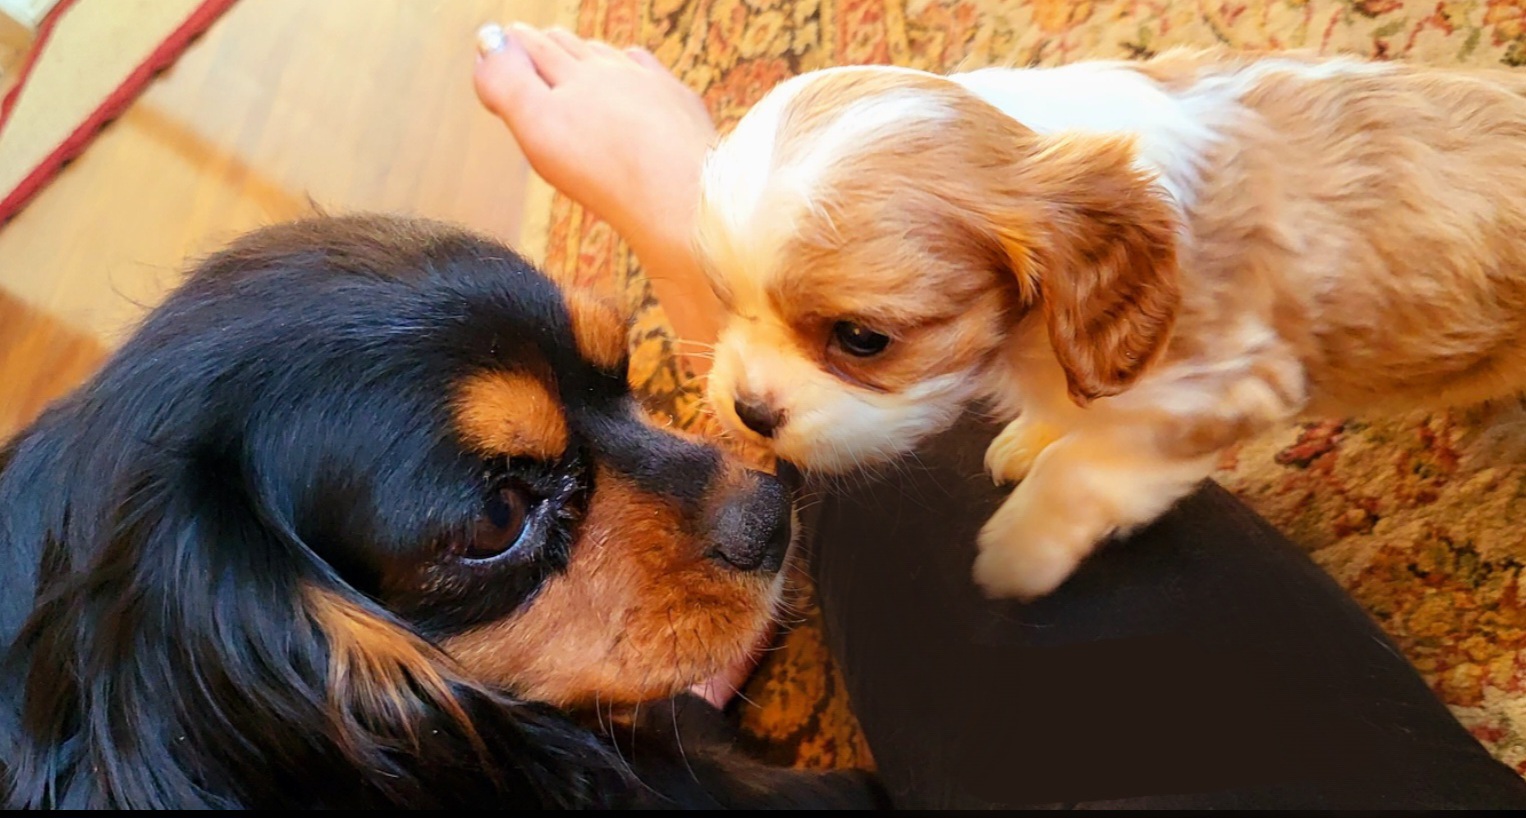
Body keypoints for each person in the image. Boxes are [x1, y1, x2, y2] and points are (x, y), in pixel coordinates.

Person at [469, 23, 1526, 808]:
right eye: (730, 296)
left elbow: (1195, 411)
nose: (747, 392)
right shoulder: (1053, 184)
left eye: (857, 336)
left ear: (1073, 266)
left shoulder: (1116, 258)